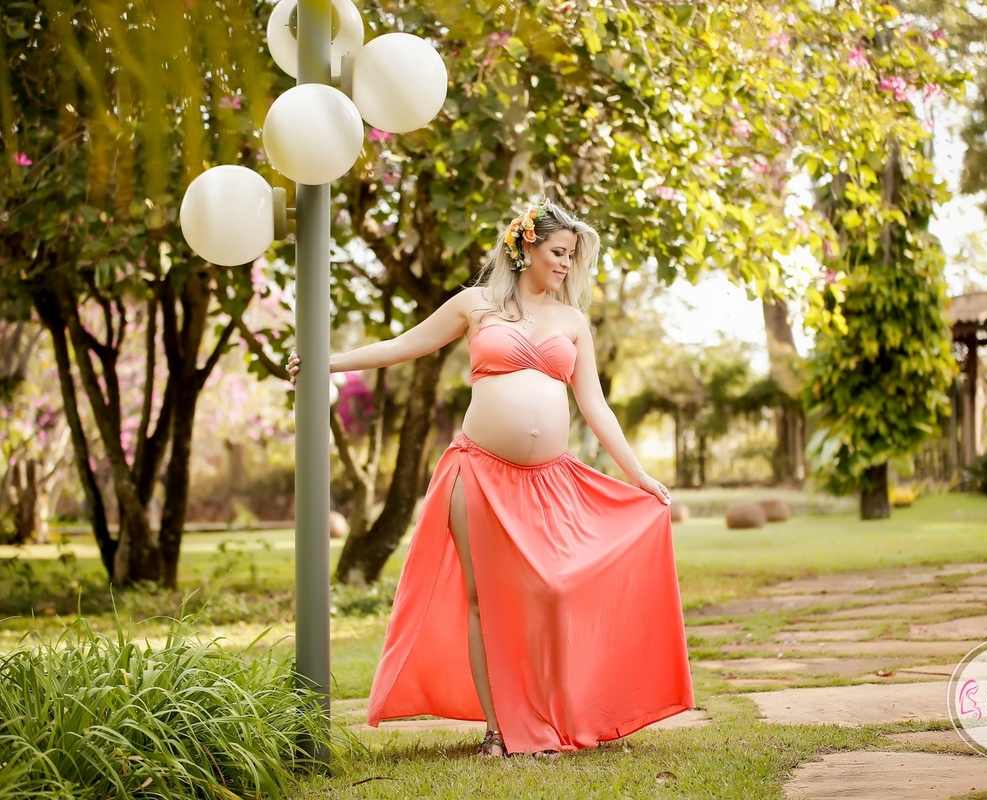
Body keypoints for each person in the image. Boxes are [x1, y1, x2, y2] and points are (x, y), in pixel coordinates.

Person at [287, 199, 693, 756]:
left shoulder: (572, 323)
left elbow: (595, 405)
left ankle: (550, 718)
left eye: (572, 256)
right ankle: (498, 731)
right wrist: (326, 362)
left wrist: (638, 473)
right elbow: (405, 345)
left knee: (552, 591)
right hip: (477, 471)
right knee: (483, 599)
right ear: (526, 246)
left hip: (548, 480)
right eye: (558, 252)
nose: (566, 265)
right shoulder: (475, 305)